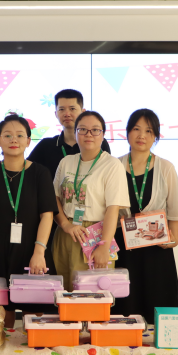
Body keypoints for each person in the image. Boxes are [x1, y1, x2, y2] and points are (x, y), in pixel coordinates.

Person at [0, 115, 58, 328]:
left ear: (28, 141)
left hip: (32, 252)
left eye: (19, 135)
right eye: (7, 135)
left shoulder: (41, 173)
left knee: (33, 320)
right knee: (0, 319)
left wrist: (39, 252)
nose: (13, 139)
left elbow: (47, 216)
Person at [112, 109, 178, 320]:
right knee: (124, 313)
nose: (141, 135)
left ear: (155, 136)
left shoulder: (166, 168)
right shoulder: (114, 166)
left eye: (148, 131)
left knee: (158, 313)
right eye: (136, 129)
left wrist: (170, 240)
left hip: (156, 253)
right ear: (127, 133)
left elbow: (175, 213)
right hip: (123, 252)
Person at [52, 111, 129, 288]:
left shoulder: (112, 164)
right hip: (66, 232)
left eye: (95, 130)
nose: (89, 134)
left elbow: (112, 209)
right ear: (75, 133)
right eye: (82, 129)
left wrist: (104, 245)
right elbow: (54, 197)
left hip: (94, 236)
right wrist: (65, 225)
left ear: (103, 134)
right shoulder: (66, 162)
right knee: (63, 293)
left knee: (91, 293)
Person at [28, 90, 111, 179]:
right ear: (56, 114)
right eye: (61, 109)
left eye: (72, 109)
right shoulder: (46, 145)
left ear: (83, 112)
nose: (67, 114)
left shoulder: (96, 142)